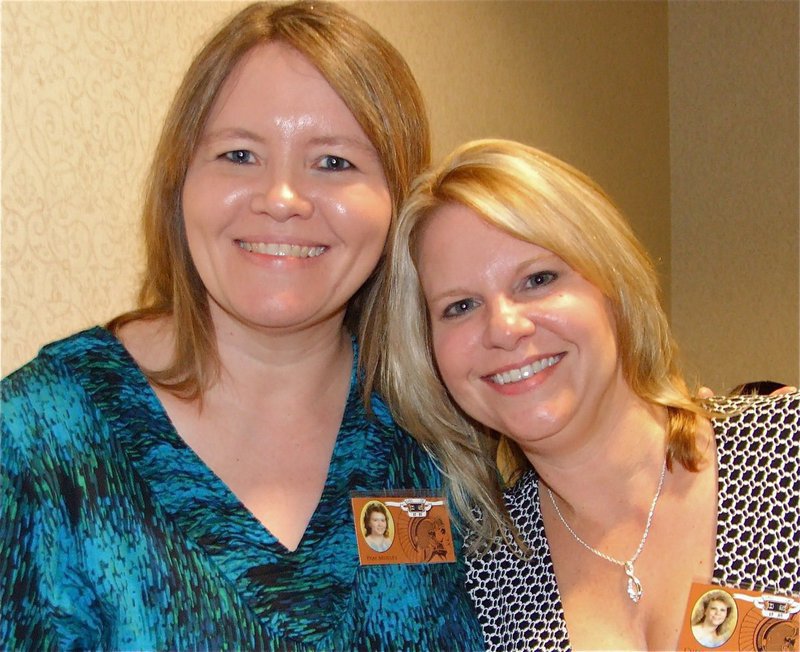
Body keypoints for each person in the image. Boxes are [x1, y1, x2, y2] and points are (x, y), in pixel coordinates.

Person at [0, 3, 484, 650]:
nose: (282, 198)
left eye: (335, 163)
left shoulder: (438, 437)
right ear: (180, 185)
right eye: (238, 154)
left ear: (399, 201)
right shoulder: (40, 441)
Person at [370, 138, 799, 650]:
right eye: (460, 307)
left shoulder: (785, 449)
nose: (504, 328)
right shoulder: (481, 582)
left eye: (537, 279)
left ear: (611, 287)